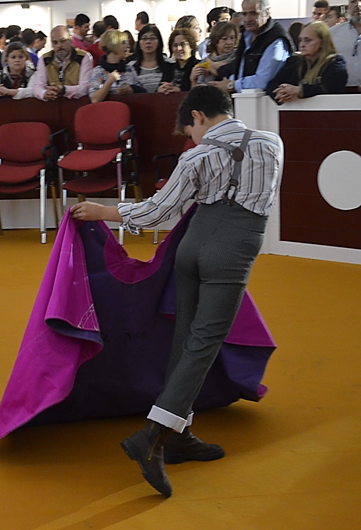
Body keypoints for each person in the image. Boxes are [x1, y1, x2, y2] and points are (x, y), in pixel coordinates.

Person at [70, 85, 283, 498]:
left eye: (190, 128)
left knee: (186, 337)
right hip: (232, 250)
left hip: (193, 247)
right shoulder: (271, 143)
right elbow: (263, 200)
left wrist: (102, 211)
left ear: (198, 116)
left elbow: (157, 211)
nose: (191, 136)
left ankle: (180, 435)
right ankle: (152, 435)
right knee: (204, 342)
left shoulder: (195, 156)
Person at [212, 0, 293, 93]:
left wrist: (232, 85)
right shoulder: (247, 34)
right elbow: (241, 69)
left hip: (263, 103)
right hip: (243, 99)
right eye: (244, 14)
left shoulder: (276, 41)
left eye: (254, 13)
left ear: (267, 13)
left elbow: (262, 81)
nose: (247, 19)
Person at [268, 21, 347, 102]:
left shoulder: (335, 62)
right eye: (300, 40)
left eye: (308, 40)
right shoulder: (294, 61)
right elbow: (272, 84)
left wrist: (300, 90)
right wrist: (281, 93)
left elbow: (332, 88)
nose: (302, 45)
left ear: (322, 42)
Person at [33, 25, 93, 100]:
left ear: (71, 39)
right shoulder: (45, 59)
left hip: (76, 103)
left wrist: (64, 90)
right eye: (55, 42)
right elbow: (37, 86)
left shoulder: (84, 57)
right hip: (52, 104)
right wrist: (44, 93)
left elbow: (85, 87)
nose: (59, 45)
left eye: (63, 41)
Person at [88, 30, 146, 102]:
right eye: (123, 43)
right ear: (113, 45)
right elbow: (95, 99)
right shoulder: (98, 72)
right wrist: (109, 81)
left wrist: (132, 89)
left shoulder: (129, 69)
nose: (128, 46)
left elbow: (143, 93)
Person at [192, 22, 239, 86]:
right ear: (216, 41)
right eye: (224, 39)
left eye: (232, 38)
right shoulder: (205, 62)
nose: (229, 42)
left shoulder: (238, 57)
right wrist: (193, 79)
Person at [129, 25, 172, 93]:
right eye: (144, 38)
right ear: (139, 43)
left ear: (158, 42)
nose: (148, 42)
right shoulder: (130, 67)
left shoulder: (169, 64)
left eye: (152, 38)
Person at [159, 28, 200, 93]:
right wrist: (160, 90)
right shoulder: (168, 68)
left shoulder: (198, 66)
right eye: (175, 45)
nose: (179, 48)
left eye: (183, 44)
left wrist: (180, 91)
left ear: (191, 46)